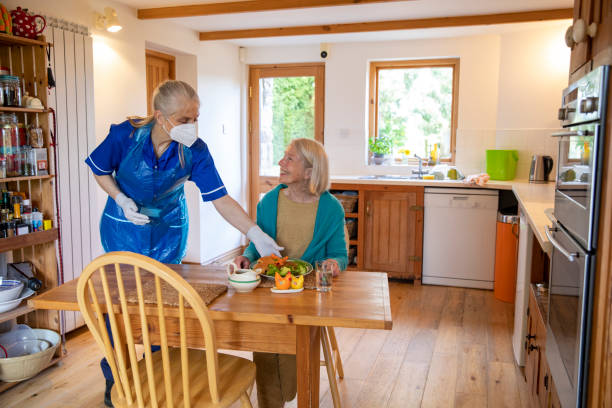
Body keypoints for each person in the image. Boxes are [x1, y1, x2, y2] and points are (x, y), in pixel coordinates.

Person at [85, 80, 282, 407]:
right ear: (160, 116)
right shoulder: (125, 135)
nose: (192, 126)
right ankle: (116, 376)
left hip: (168, 229)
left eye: (195, 118)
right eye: (184, 119)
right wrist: (120, 199)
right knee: (115, 303)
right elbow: (100, 169)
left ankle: (160, 369)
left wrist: (255, 233)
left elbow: (220, 199)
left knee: (163, 301)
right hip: (123, 226)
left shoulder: (195, 150)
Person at [233, 138, 348, 408]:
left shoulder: (331, 208)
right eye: (283, 157)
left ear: (310, 171)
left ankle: (285, 392)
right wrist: (246, 258)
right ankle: (270, 403)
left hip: (307, 291)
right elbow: (257, 244)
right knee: (264, 339)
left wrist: (333, 263)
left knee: (288, 344)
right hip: (270, 286)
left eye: (289, 159)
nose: (280, 163)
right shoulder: (269, 202)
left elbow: (340, 254)